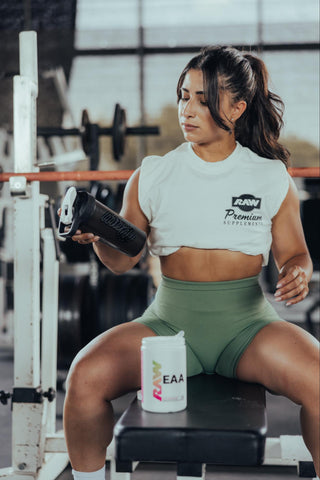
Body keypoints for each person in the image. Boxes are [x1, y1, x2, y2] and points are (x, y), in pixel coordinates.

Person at [63, 46, 320, 480]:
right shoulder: (152, 174)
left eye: (203, 99)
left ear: (237, 108)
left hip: (247, 327)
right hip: (167, 327)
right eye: (184, 96)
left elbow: (295, 253)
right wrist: (98, 239)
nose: (188, 109)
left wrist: (298, 272)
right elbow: (122, 260)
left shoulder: (268, 174)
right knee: (84, 377)